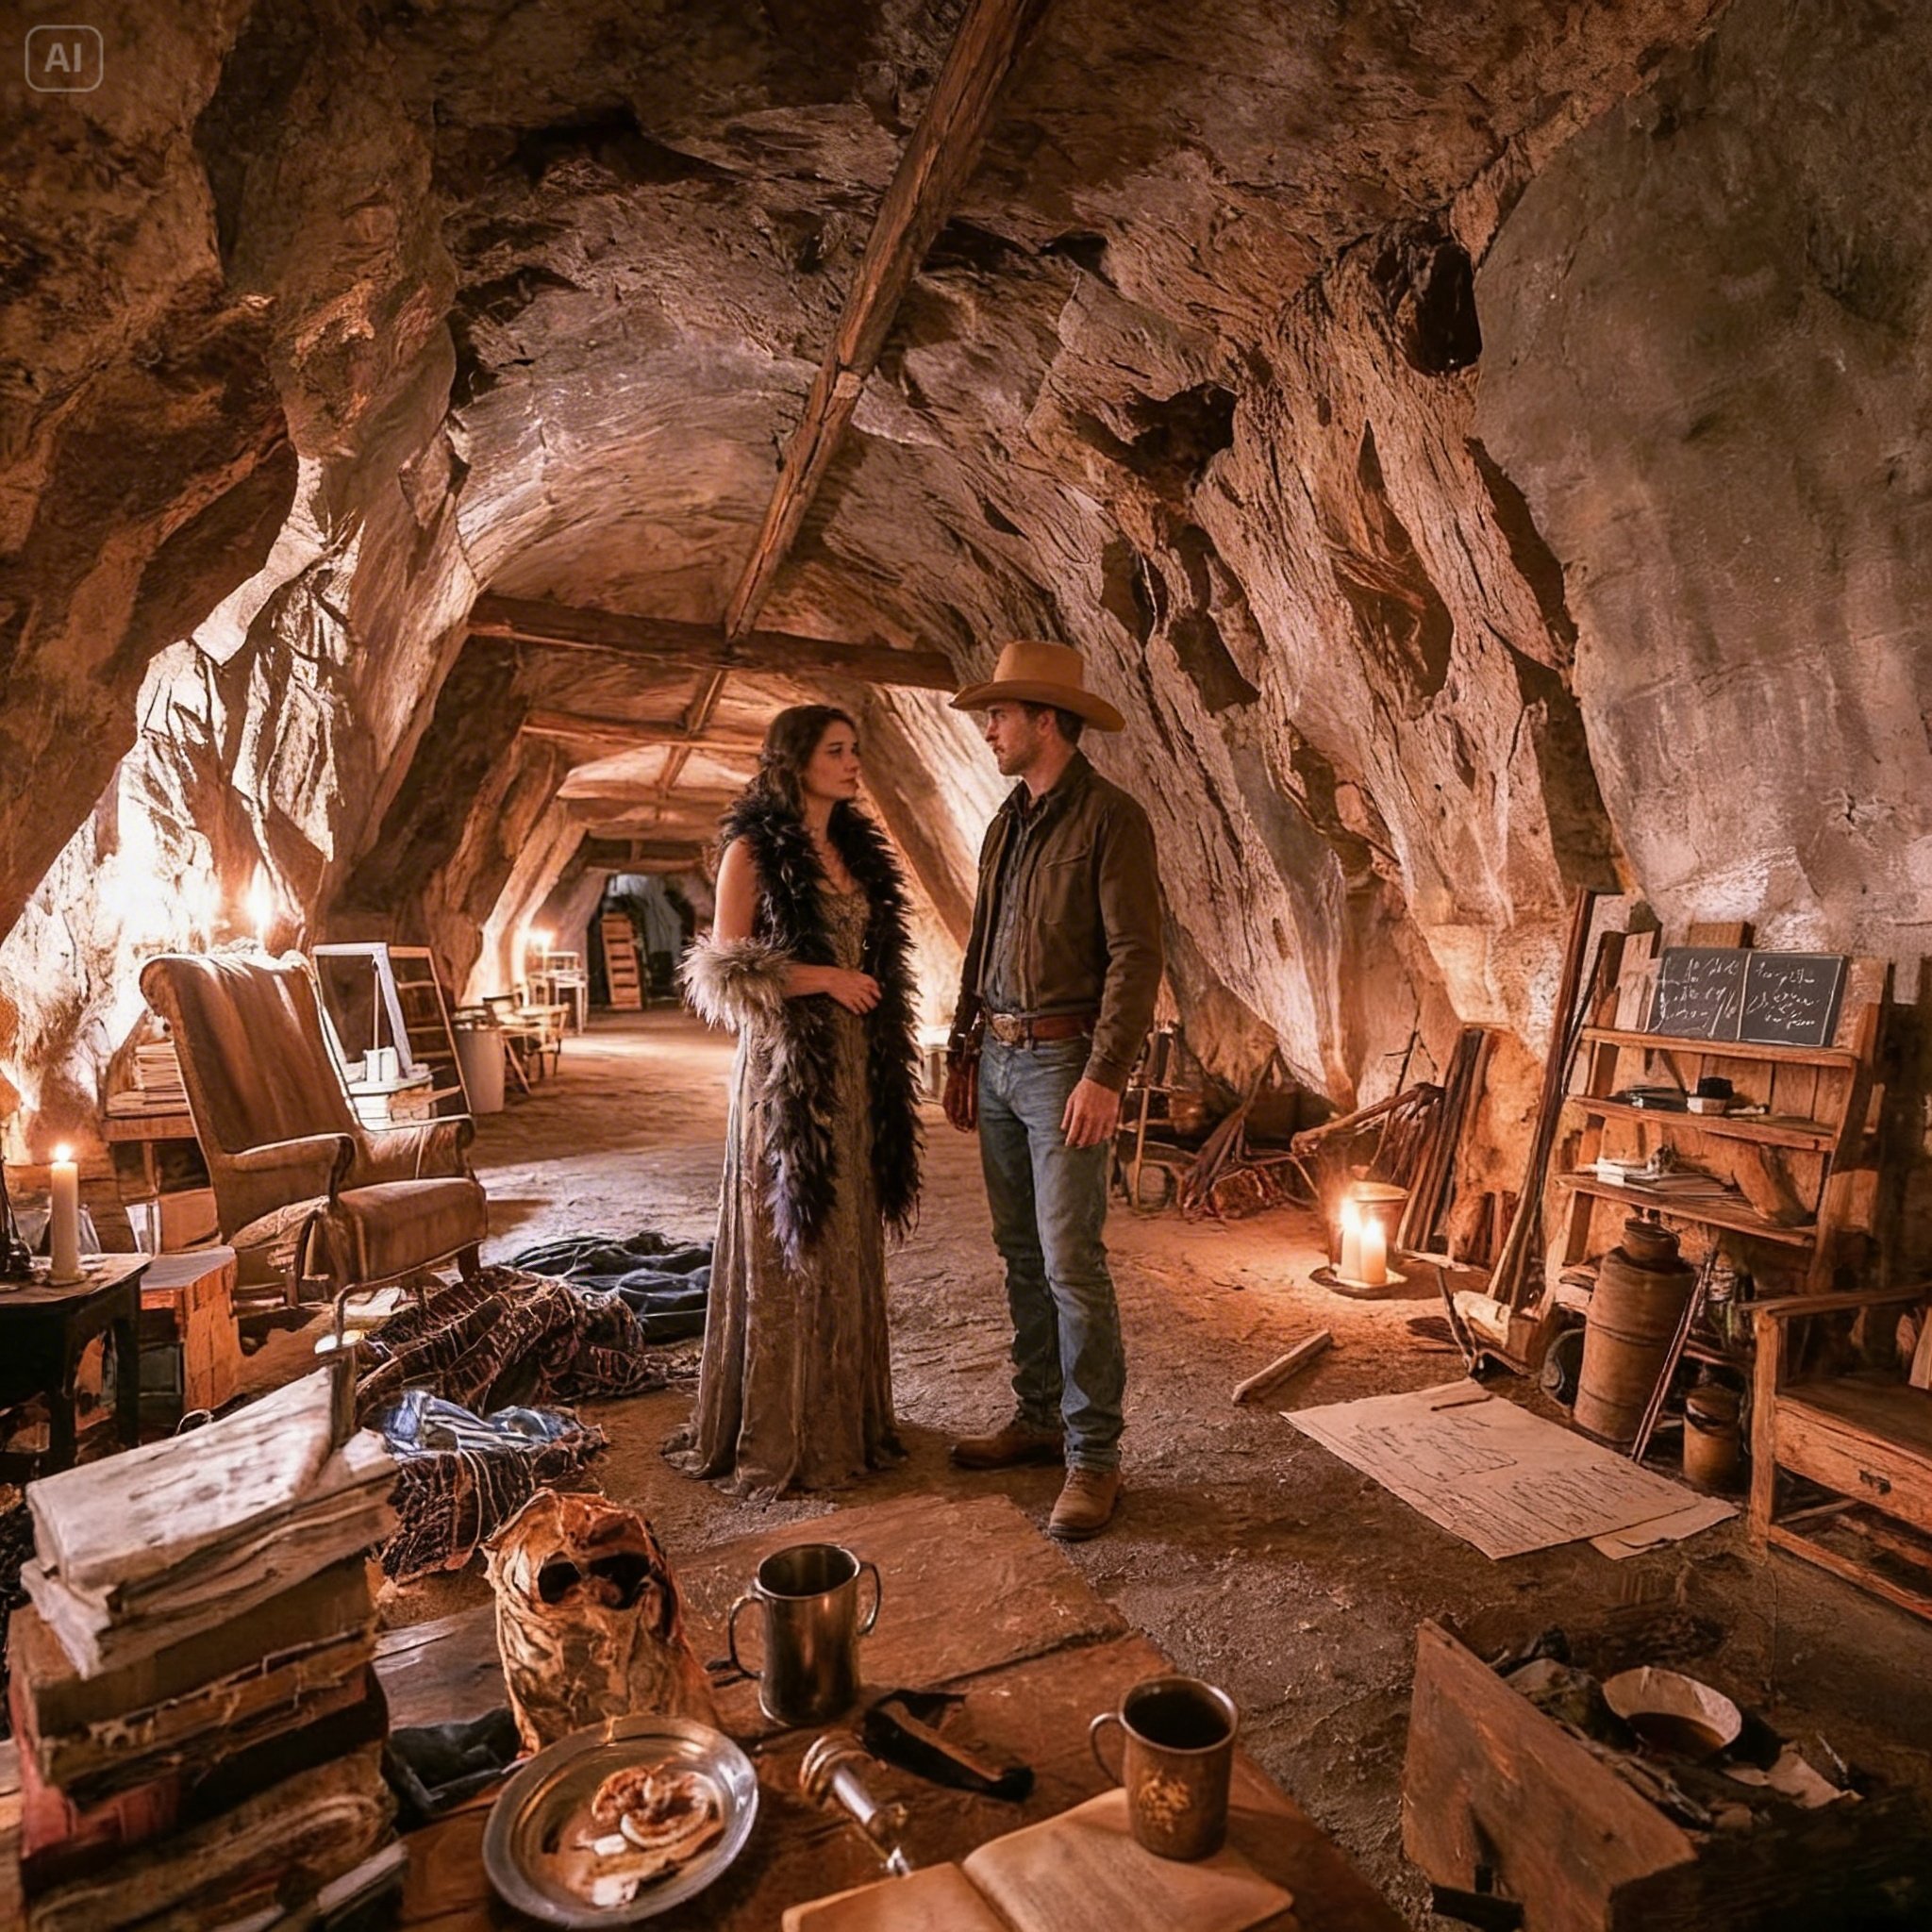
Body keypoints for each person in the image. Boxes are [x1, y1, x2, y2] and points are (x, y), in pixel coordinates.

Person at [669, 705, 923, 1497]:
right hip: (789, 1070)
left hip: (857, 1066)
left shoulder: (853, 848)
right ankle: (790, 1432)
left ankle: (849, 1420)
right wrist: (824, 979)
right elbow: (724, 967)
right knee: (796, 1231)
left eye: (856, 750)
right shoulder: (752, 848)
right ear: (797, 761)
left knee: (850, 1232)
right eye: (838, 751)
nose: (854, 764)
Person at [942, 641, 1162, 1540]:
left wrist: (1107, 1073)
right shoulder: (1007, 822)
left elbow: (1136, 955)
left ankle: (1094, 1458)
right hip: (997, 1058)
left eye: (999, 714)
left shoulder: (1113, 820)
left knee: (1073, 1262)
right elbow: (981, 940)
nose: (988, 729)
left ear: (1045, 720)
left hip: (1065, 1063)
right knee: (1021, 1253)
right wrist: (962, 1049)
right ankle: (1037, 1418)